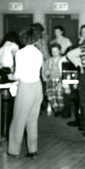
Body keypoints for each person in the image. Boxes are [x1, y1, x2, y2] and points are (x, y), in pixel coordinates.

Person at [7, 26, 44, 159]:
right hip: (37, 87)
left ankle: (13, 150)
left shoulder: (20, 53)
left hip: (26, 88)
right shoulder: (39, 53)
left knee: (18, 120)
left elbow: (18, 75)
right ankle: (33, 150)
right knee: (32, 120)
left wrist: (10, 76)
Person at [42, 43, 67, 117]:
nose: (54, 53)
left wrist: (61, 83)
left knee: (59, 92)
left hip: (61, 80)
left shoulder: (63, 59)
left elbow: (65, 74)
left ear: (59, 51)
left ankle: (61, 109)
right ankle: (56, 109)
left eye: (56, 51)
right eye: (53, 51)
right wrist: (48, 70)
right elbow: (45, 73)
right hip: (51, 80)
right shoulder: (49, 60)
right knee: (49, 93)